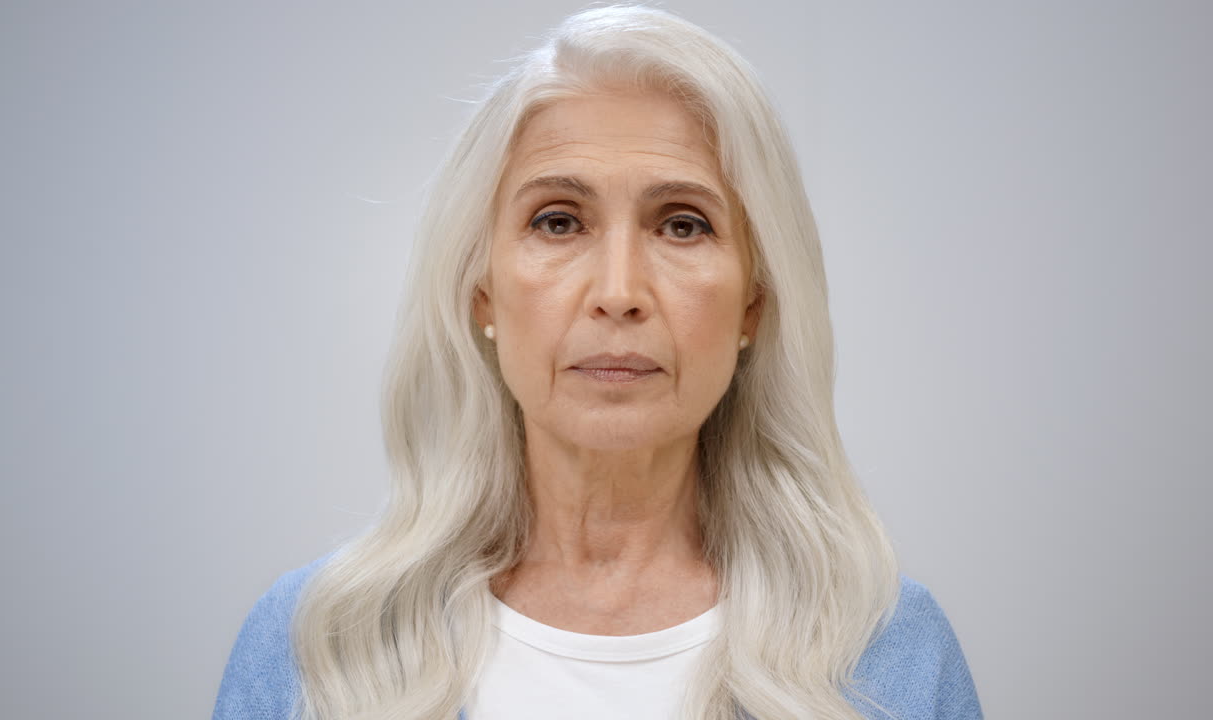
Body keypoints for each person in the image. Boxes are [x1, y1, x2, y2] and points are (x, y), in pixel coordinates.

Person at [212, 4, 983, 719]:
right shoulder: (317, 647)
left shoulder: (889, 657)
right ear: (482, 291)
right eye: (558, 220)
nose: (619, 293)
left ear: (754, 302)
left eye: (682, 226)